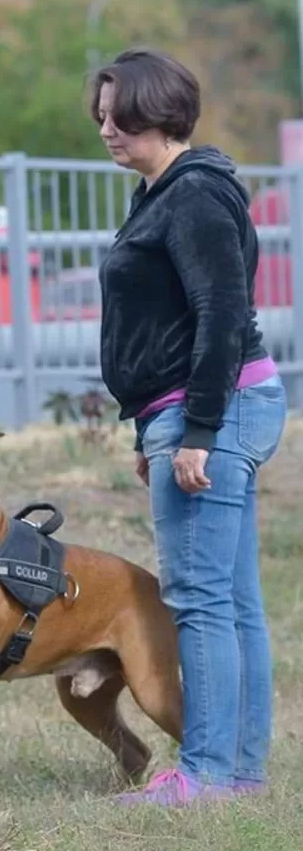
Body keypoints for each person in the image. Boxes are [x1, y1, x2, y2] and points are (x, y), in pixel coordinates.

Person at [90, 47, 287, 806]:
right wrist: (153, 434)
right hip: (187, 410)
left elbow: (221, 314)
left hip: (215, 407)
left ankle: (203, 775)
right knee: (232, 600)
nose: (107, 128)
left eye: (121, 115)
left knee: (202, 601)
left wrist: (198, 431)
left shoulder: (195, 196)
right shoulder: (160, 191)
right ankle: (238, 774)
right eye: (101, 115)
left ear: (162, 110)